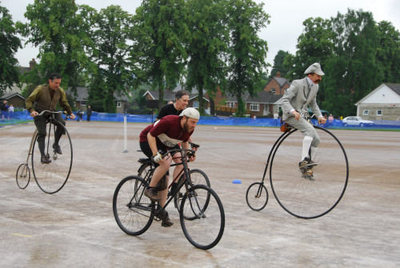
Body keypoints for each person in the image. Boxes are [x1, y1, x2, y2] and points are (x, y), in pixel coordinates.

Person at [139, 107, 200, 227]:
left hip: (166, 144)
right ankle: (150, 189)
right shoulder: (169, 121)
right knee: (166, 162)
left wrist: (188, 154)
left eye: (196, 122)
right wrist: (156, 153)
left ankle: (161, 211)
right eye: (192, 122)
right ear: (184, 118)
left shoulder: (189, 128)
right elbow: (151, 135)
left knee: (170, 174)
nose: (194, 125)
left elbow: (184, 141)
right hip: (148, 140)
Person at [281, 63, 327, 179]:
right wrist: (292, 111)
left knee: (316, 139)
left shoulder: (315, 87)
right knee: (310, 131)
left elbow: (313, 103)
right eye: (318, 76)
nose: (320, 78)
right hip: (291, 116)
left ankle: (308, 167)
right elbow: (284, 100)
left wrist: (319, 116)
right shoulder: (297, 84)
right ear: (310, 75)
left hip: (302, 115)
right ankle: (303, 162)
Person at [25, 73, 76, 164]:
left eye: (59, 83)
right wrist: (32, 110)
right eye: (56, 83)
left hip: (52, 112)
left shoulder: (60, 91)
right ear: (50, 81)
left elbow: (64, 103)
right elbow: (29, 100)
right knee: (42, 133)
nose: (57, 85)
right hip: (40, 113)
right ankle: (43, 156)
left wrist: (70, 112)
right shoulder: (40, 89)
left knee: (62, 124)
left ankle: (55, 144)